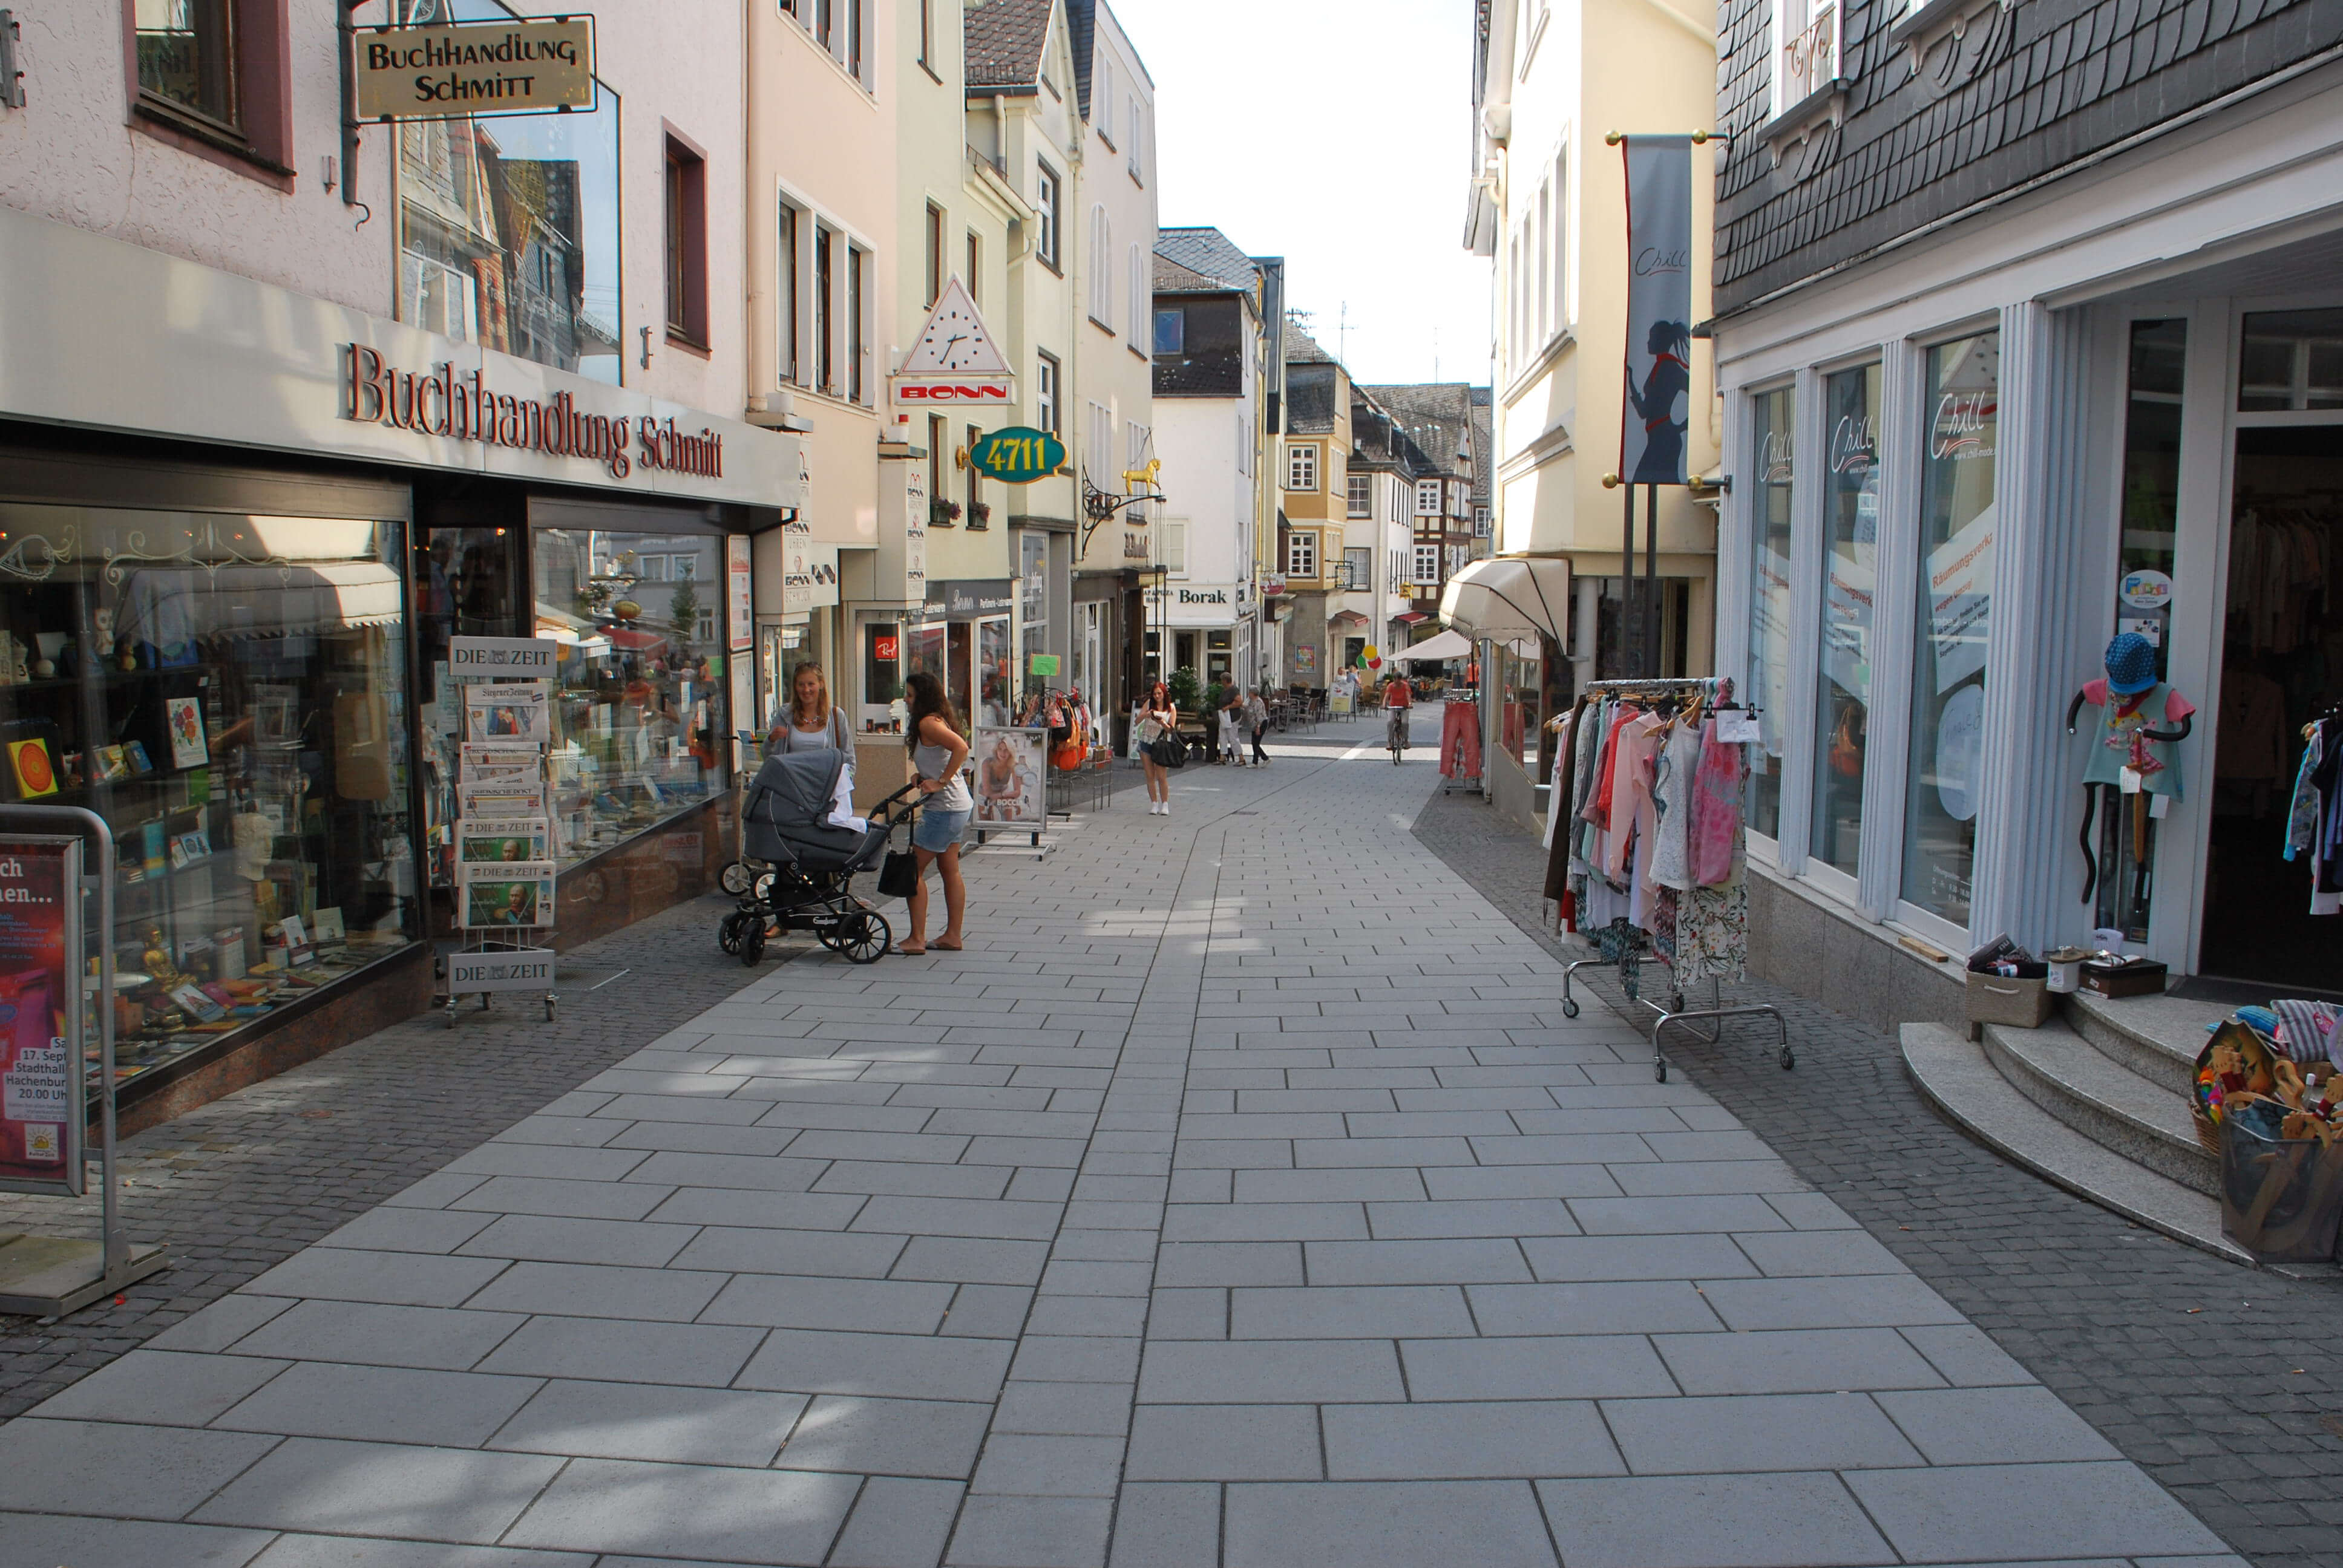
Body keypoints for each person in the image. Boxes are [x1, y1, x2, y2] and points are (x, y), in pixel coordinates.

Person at [900, 671, 972, 953]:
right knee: (949, 869)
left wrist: (940, 781)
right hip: (956, 806)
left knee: (912, 871)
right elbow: (941, 756)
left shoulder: (928, 723)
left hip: (945, 808)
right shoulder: (935, 720)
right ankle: (953, 936)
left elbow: (961, 748)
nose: (905, 700)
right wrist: (924, 776)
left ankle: (916, 938)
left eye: (910, 695)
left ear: (922, 697)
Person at [767, 662, 851, 760]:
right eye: (801, 685)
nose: (806, 690)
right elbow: (768, 757)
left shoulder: (836, 715)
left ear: (821, 684)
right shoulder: (785, 715)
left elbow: (849, 757)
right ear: (795, 687)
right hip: (792, 770)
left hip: (824, 770)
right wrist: (771, 740)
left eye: (811, 684)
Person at [1139, 679, 1177, 815]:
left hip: (1161, 745)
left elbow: (1171, 730)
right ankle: (1154, 804)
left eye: (1159, 693)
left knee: (1162, 776)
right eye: (1155, 694)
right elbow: (1137, 720)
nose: (1157, 696)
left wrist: (1161, 722)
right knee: (1150, 776)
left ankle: (1165, 804)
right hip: (1146, 742)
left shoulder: (1171, 708)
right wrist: (1147, 714)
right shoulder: (1149, 704)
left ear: (1164, 693)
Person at [977, 735, 1021, 821]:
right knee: (985, 824)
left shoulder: (1015, 766)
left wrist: (1003, 796)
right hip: (985, 795)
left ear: (1011, 752)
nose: (1002, 753)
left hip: (1003, 793)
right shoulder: (987, 763)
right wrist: (1012, 801)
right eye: (1000, 749)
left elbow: (1018, 792)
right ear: (996, 750)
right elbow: (988, 793)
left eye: (1006, 750)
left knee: (1007, 823)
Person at [1384, 670, 1414, 755]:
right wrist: (1384, 705)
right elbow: (1386, 697)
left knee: (1404, 723)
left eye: (1398, 680)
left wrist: (1410, 704)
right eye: (1395, 680)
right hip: (1393, 707)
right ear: (1393, 679)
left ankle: (1405, 740)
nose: (1397, 682)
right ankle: (1389, 741)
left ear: (1401, 680)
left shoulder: (1405, 686)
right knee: (1390, 722)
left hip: (1404, 707)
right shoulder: (1391, 686)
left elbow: (1408, 695)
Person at [1218, 688, 1245, 766]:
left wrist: (1228, 707)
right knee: (1222, 736)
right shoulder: (1225, 690)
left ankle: (1241, 758)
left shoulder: (1233, 690)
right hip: (1225, 717)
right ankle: (1222, 757)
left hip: (1232, 717)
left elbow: (1240, 702)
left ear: (1224, 681)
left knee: (1233, 737)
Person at [1246, 688, 1271, 765]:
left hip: (1261, 724)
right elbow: (1247, 707)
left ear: (1253, 694)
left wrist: (1258, 727)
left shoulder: (1258, 702)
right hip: (1254, 724)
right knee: (1254, 743)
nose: (1248, 694)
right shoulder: (1251, 701)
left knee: (1256, 743)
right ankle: (1262, 759)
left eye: (1249, 693)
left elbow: (1259, 716)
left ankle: (1258, 761)